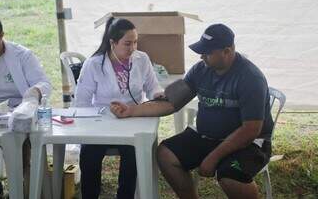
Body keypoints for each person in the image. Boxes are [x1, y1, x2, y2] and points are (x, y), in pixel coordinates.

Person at [110, 23, 274, 199]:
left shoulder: (250, 78)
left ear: (227, 51)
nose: (202, 56)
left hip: (248, 143)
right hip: (207, 136)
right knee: (166, 155)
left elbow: (251, 130)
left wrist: (213, 158)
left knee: (230, 177)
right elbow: (172, 103)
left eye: (207, 52)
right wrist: (131, 110)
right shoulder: (201, 69)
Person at [75, 17, 162, 199]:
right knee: (89, 153)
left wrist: (157, 95)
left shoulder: (142, 59)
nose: (133, 49)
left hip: (133, 120)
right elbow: (81, 103)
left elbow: (153, 86)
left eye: (135, 42)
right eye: (127, 44)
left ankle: (125, 196)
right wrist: (93, 124)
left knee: (133, 152)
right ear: (112, 43)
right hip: (101, 124)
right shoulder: (94, 64)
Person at [0, 18, 52, 198]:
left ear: (1, 36)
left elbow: (44, 83)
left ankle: (25, 190)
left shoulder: (22, 55)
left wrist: (33, 93)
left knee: (22, 143)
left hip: (22, 111)